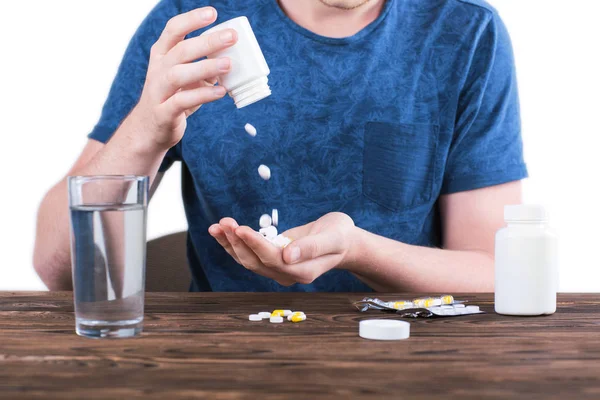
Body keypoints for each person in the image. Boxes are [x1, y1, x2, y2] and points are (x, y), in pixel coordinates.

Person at [34, 0, 527, 292]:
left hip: (406, 352)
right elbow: (59, 267)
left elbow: (495, 271)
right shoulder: (193, 24)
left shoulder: (462, 29)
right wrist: (144, 131)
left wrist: (357, 250)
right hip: (220, 359)